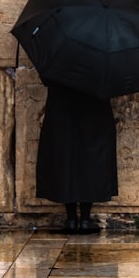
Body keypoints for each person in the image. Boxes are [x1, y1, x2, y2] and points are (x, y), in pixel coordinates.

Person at [35, 82, 118, 233]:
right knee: (91, 157)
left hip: (61, 103)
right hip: (93, 101)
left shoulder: (57, 60)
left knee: (65, 156)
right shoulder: (101, 61)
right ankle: (85, 219)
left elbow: (46, 78)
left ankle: (71, 218)